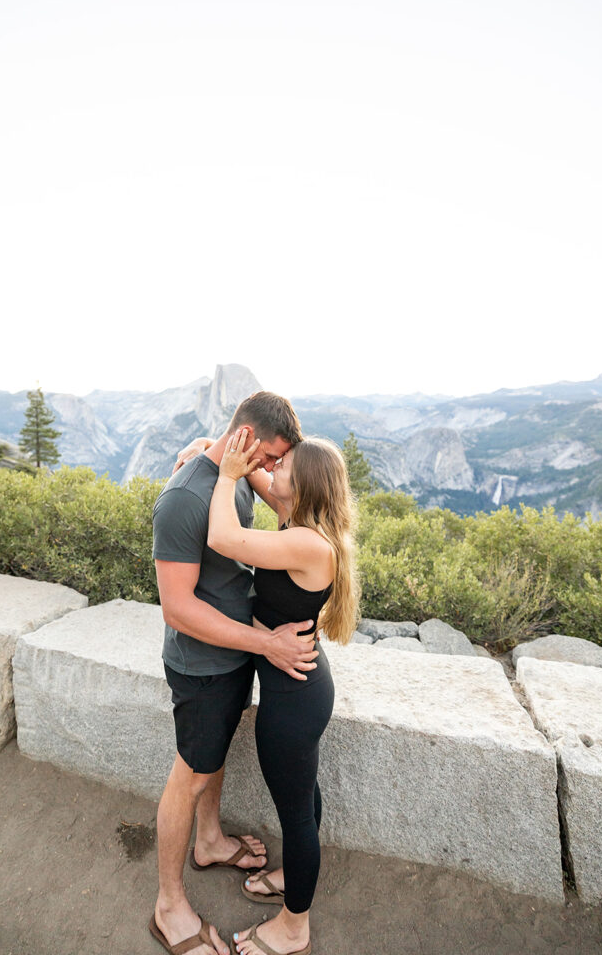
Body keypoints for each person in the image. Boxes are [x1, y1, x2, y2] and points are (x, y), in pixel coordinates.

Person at [150, 392, 320, 955]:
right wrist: (265, 643)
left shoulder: (239, 472)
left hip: (234, 655)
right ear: (246, 439)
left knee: (213, 758)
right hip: (201, 666)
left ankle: (209, 841)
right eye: (271, 458)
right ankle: (169, 904)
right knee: (190, 774)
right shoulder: (183, 500)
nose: (274, 473)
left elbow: (263, 504)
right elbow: (178, 608)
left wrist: (206, 447)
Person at [207, 428, 359, 955]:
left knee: (295, 816)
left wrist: (224, 477)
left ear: (305, 482)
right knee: (304, 800)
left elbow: (223, 538)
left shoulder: (304, 541)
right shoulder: (301, 517)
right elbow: (257, 472)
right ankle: (293, 881)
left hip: (292, 700)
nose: (275, 466)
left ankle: (295, 928)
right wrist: (217, 448)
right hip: (301, 688)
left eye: (285, 463)